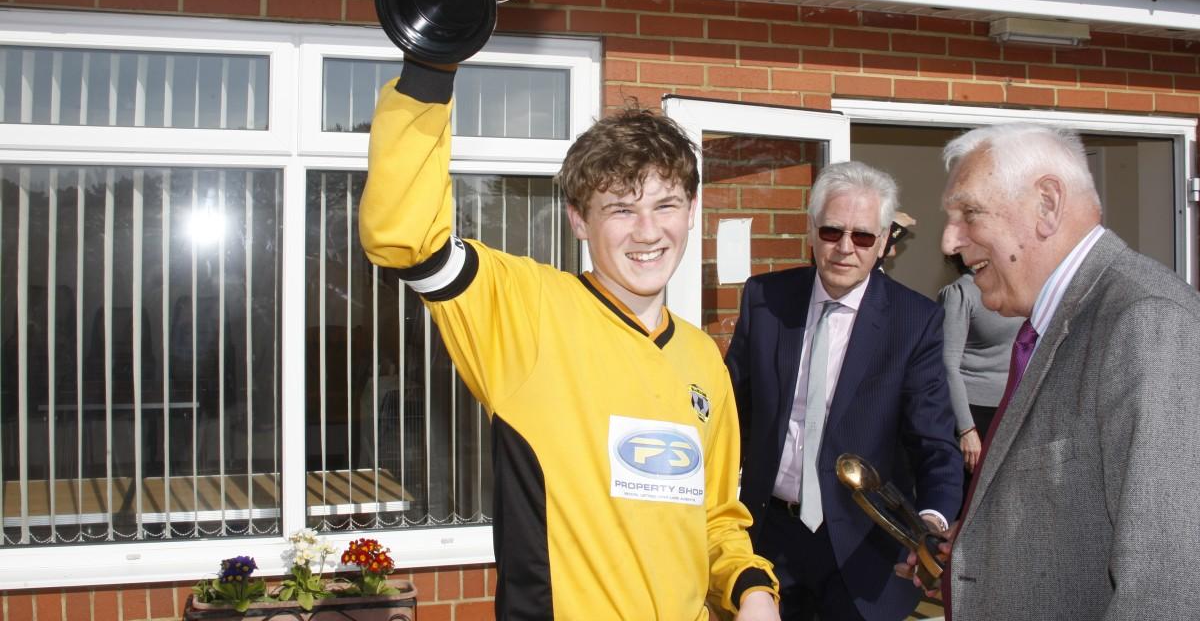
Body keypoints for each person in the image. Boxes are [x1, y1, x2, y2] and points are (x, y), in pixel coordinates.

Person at [358, 58, 780, 621]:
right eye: (620, 210)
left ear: (693, 210)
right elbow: (407, 239)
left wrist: (751, 591)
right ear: (579, 220)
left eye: (665, 205)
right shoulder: (527, 312)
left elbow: (716, 519)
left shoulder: (703, 358)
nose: (648, 232)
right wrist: (432, 65)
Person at [928, 122, 1200, 619]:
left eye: (969, 213)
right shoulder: (1050, 322)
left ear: (1047, 205)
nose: (949, 241)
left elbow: (1166, 584)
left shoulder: (1144, 320)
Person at [725, 161, 961, 621]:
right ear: (812, 231)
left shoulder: (914, 321)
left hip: (864, 552)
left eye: (863, 237)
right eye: (832, 232)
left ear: (885, 241)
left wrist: (929, 522)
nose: (845, 249)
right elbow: (732, 411)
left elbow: (933, 441)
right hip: (769, 536)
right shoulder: (765, 299)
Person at [937, 253, 1023, 507]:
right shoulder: (960, 293)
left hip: (1011, 407)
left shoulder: (1016, 287)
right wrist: (966, 430)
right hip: (974, 412)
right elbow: (947, 364)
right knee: (972, 505)